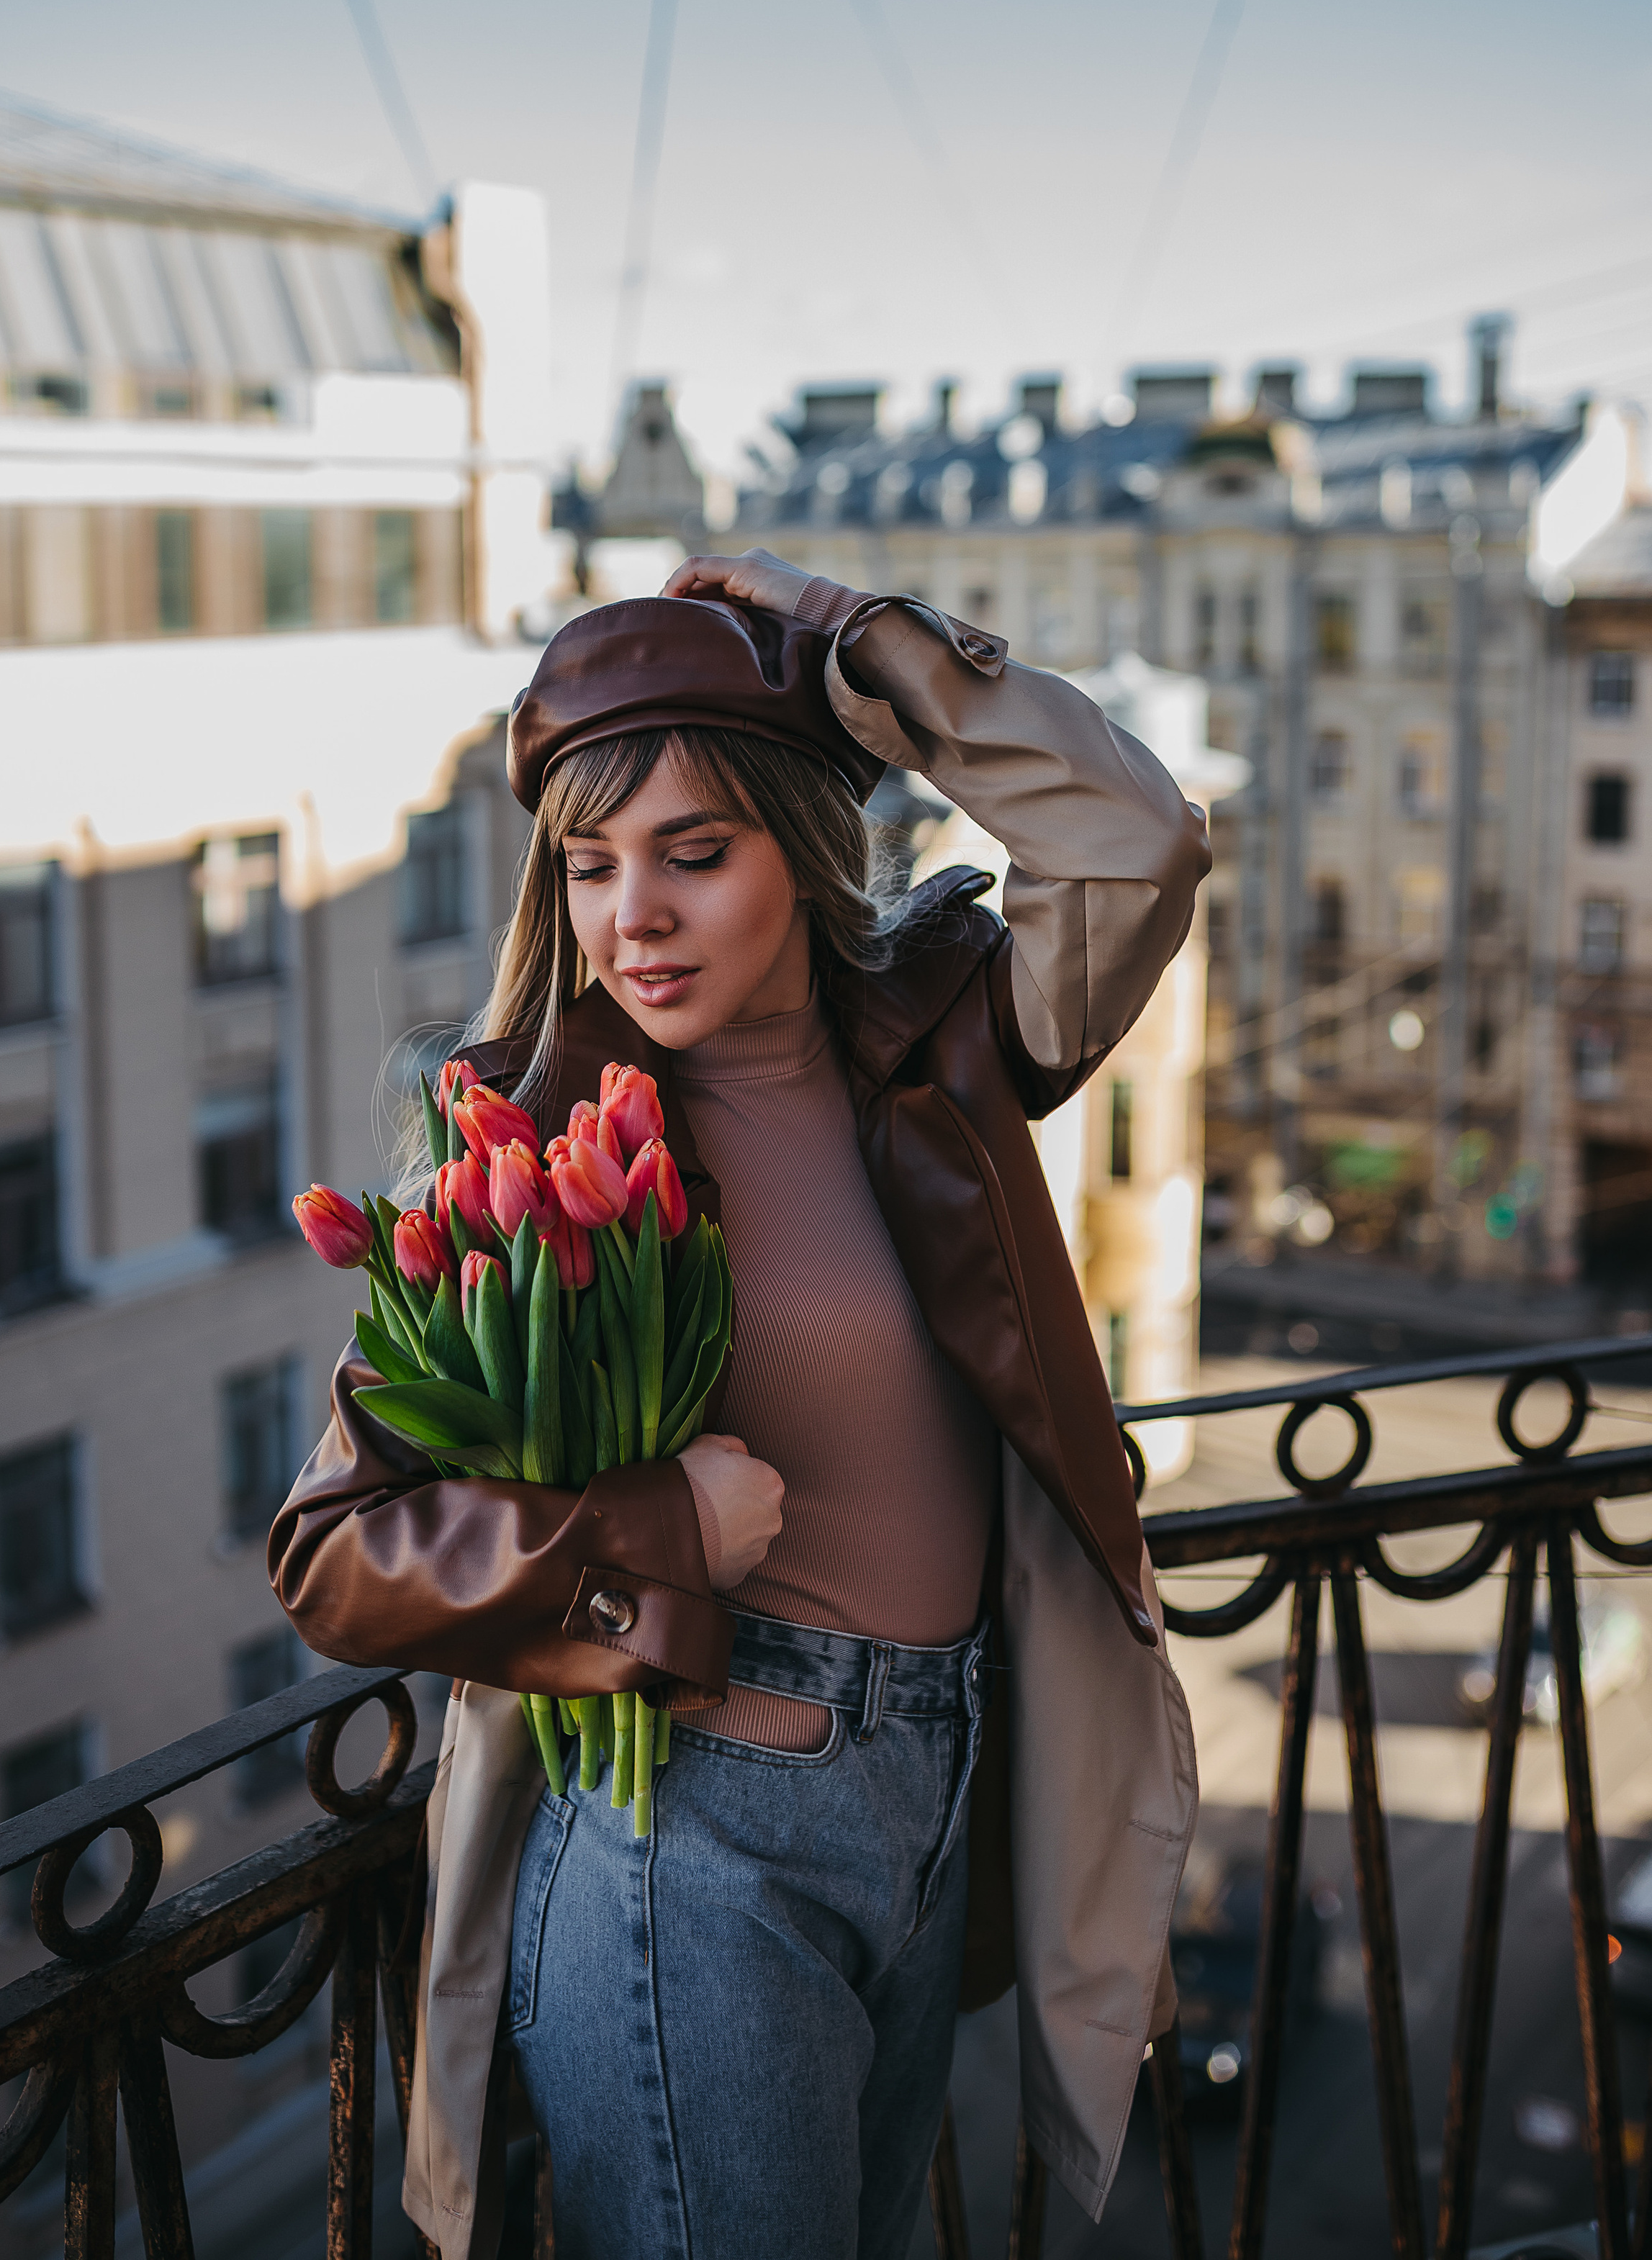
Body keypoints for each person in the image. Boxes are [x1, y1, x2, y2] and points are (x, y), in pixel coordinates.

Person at [270, 550, 1209, 2260]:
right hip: (689, 1849)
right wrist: (654, 1532)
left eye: (693, 854)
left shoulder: (941, 1037)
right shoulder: (522, 1142)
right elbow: (332, 1553)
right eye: (590, 865)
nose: (631, 913)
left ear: (802, 845)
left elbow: (1137, 840)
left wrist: (857, 637)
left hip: (937, 1800)